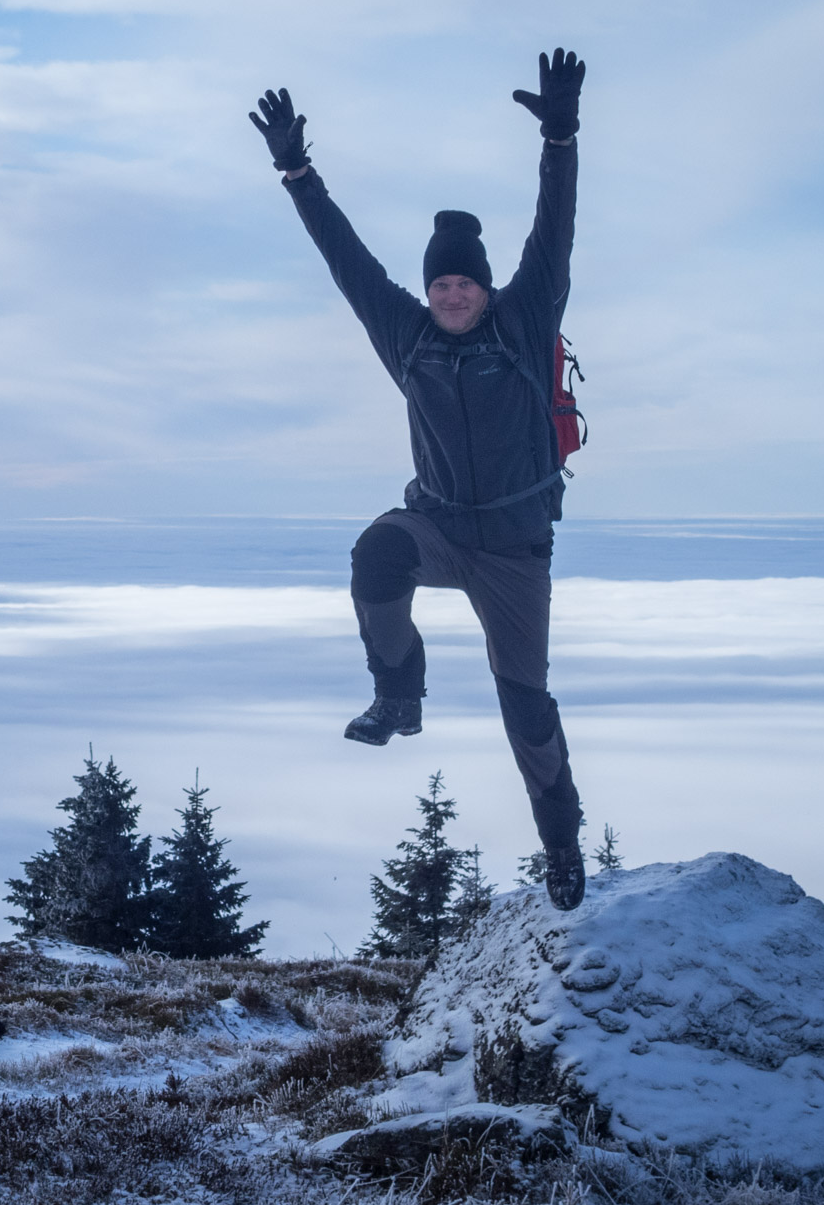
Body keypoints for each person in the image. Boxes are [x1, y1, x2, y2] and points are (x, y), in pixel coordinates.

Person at [249, 49, 589, 910]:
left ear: (483, 287)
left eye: (462, 282)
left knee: (527, 705)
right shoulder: (409, 338)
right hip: (437, 526)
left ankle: (561, 842)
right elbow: (346, 258)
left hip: (513, 546)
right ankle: (399, 696)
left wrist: (559, 135)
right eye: (439, 282)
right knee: (375, 557)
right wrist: (296, 171)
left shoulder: (523, 318)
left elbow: (554, 232)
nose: (450, 294)